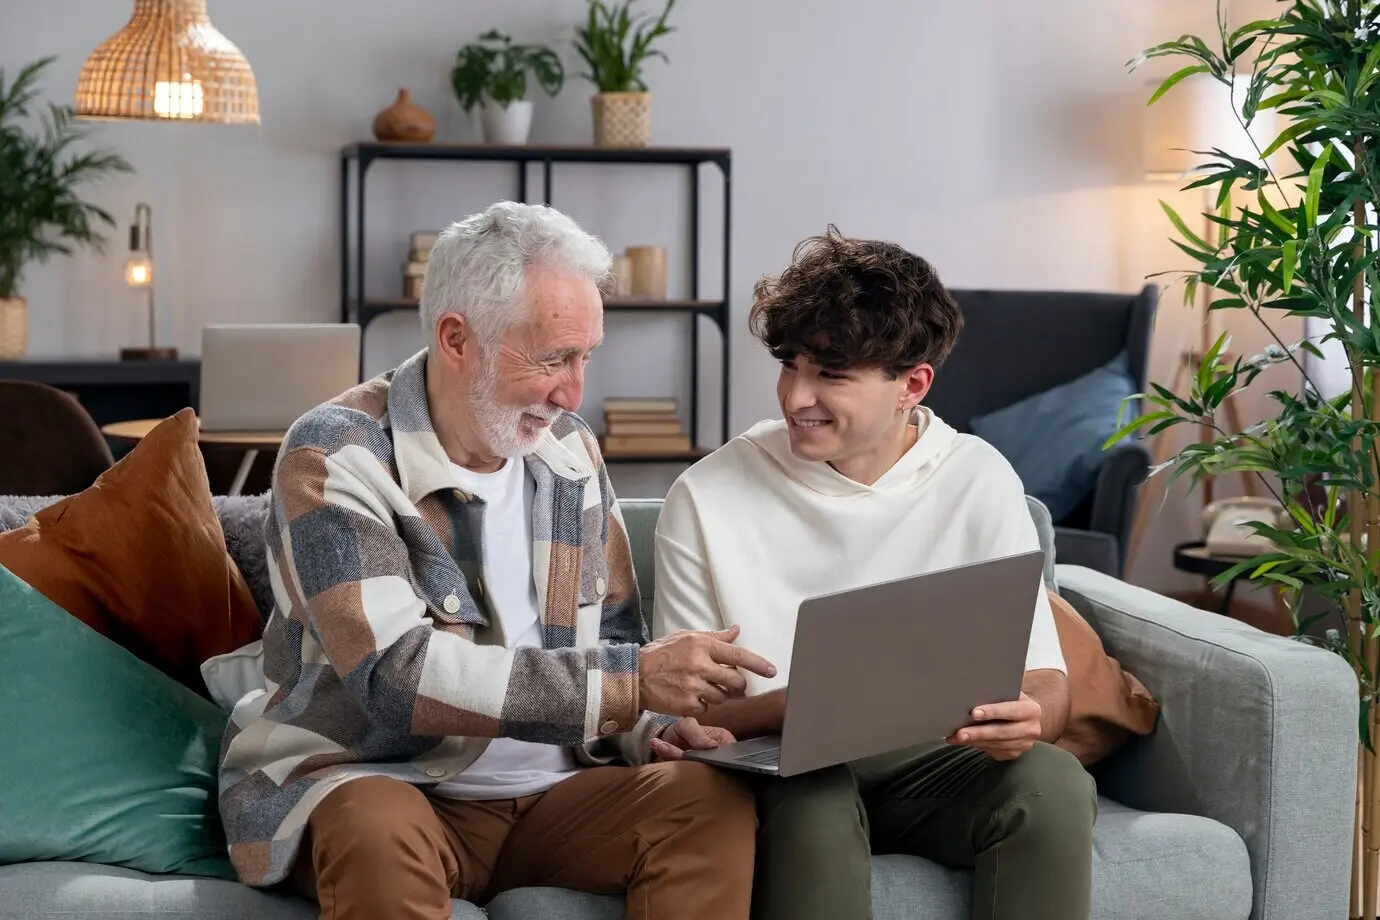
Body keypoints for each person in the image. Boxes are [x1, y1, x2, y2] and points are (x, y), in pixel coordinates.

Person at [217, 201, 777, 920]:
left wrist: (653, 726)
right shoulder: (337, 454)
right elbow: (396, 677)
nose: (574, 393)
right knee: (374, 829)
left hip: (553, 800)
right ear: (458, 338)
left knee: (707, 798)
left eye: (585, 358)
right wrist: (633, 684)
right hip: (383, 781)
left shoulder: (570, 454)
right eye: (552, 358)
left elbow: (611, 638)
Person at [649, 227, 1098, 920]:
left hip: (934, 765)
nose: (796, 396)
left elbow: (1045, 681)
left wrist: (1031, 718)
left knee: (1052, 780)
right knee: (814, 799)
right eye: (790, 364)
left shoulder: (977, 478)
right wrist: (809, 710)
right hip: (784, 768)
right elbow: (682, 716)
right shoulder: (708, 495)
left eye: (830, 375)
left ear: (911, 385)